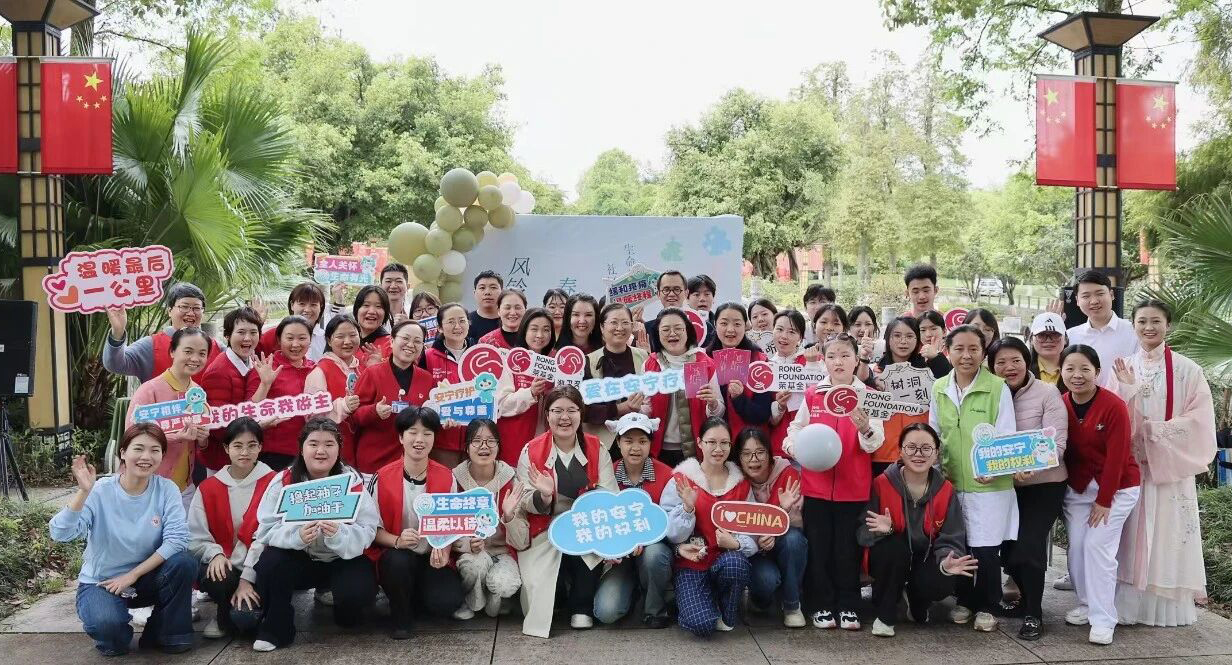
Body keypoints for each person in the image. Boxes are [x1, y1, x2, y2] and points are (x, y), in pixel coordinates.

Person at [1113, 300, 1217, 627]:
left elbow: (1200, 420)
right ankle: (1126, 605)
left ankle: (1164, 607)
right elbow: (1111, 415)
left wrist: (1155, 433)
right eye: (1142, 321)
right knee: (1130, 534)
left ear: (1167, 325)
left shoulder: (1188, 370)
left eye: (1155, 321)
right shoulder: (1122, 366)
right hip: (1133, 467)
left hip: (1169, 468)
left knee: (1167, 534)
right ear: (1133, 325)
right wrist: (1127, 393)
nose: (1149, 327)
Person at [50, 424, 196, 656]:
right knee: (110, 634)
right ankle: (115, 627)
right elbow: (61, 533)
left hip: (148, 577)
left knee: (184, 563)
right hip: (103, 582)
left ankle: (165, 632)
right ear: (123, 453)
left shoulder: (166, 489)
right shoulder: (100, 490)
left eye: (155, 450)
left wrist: (133, 575)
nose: (146, 457)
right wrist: (83, 492)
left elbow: (177, 540)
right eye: (138, 449)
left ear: (162, 455)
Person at [248, 417, 379, 651]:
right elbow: (265, 529)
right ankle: (276, 629)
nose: (321, 451)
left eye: (329, 444)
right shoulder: (284, 480)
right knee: (270, 563)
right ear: (301, 448)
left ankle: (342, 607)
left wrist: (340, 534)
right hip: (300, 559)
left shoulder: (351, 481)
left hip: (341, 559)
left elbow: (368, 527)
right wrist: (295, 536)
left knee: (355, 605)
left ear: (339, 448)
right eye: (313, 444)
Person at [785, 334, 885, 631]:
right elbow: (796, 428)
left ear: (857, 360)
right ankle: (821, 605)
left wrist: (865, 428)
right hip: (816, 488)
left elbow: (876, 442)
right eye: (831, 356)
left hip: (853, 488)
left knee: (847, 550)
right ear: (824, 361)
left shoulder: (868, 395)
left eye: (845, 355)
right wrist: (795, 448)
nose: (838, 362)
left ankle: (849, 605)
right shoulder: (813, 394)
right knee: (819, 548)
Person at [928, 324, 1017, 633]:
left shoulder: (997, 387)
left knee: (986, 549)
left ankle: (988, 605)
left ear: (983, 352)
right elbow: (934, 432)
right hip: (952, 481)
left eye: (973, 349)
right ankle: (964, 600)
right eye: (959, 349)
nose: (966, 356)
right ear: (947, 352)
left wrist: (993, 468)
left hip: (990, 484)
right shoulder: (939, 387)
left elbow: (1006, 433)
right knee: (960, 543)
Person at [516, 386, 619, 637]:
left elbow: (609, 496)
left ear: (581, 413)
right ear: (547, 415)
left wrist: (587, 517)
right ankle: (559, 597)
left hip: (586, 523)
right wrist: (544, 495)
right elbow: (523, 499)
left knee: (588, 546)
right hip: (544, 526)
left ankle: (582, 605)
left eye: (572, 410)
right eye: (557, 411)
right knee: (540, 591)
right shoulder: (531, 450)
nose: (565, 417)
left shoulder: (597, 448)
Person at [858, 423, 977, 637]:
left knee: (945, 572)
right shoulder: (881, 484)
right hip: (893, 561)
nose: (918, 454)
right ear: (900, 451)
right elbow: (861, 533)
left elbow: (952, 536)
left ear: (936, 453)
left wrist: (946, 563)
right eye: (911, 447)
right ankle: (886, 615)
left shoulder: (945, 490)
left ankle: (917, 600)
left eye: (926, 448)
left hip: (925, 559)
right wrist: (884, 530)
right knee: (892, 549)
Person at [1059, 344, 1141, 644]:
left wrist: (1105, 501)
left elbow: (1118, 457)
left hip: (1117, 488)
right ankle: (1086, 603)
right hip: (1079, 488)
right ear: (1061, 371)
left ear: (1097, 372)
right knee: (1078, 546)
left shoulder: (1113, 405)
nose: (1077, 375)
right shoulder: (1061, 404)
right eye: (1070, 368)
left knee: (1097, 546)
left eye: (1085, 369)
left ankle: (1104, 619)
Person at [988, 336, 1069, 640]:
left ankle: (1034, 613)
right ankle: (1024, 601)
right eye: (1001, 362)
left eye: (1016, 360)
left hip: (1043, 485)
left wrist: (1031, 466)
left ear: (1027, 361)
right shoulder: (991, 395)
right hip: (1004, 487)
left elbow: (1057, 444)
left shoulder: (1048, 393)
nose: (1009, 367)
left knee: (1028, 547)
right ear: (991, 366)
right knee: (1007, 552)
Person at [365, 407, 465, 639]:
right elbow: (371, 528)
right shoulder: (382, 477)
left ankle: (417, 599)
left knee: (446, 602)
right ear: (401, 437)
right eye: (412, 432)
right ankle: (400, 616)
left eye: (427, 433)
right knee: (397, 562)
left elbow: (452, 524)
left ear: (434, 438)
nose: (420, 439)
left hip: (431, 556)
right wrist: (397, 541)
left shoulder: (447, 476)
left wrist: (444, 550)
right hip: (397, 554)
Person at [661, 417, 757, 636]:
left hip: (726, 560)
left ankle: (726, 609)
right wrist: (687, 508)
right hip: (692, 562)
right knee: (702, 624)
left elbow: (752, 531)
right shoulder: (681, 479)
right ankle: (698, 602)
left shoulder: (741, 484)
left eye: (724, 443)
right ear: (699, 443)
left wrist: (736, 543)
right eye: (711, 442)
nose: (718, 449)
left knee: (735, 564)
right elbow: (670, 533)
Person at [187, 417, 275, 639]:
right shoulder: (209, 487)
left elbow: (271, 534)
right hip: (225, 563)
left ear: (260, 447)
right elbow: (194, 536)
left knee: (247, 621)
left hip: (259, 564)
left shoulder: (274, 482)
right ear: (226, 448)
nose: (245, 452)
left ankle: (245, 612)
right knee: (219, 577)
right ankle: (224, 611)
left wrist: (247, 577)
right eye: (237, 445)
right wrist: (214, 553)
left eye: (252, 445)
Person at [593, 413, 675, 628]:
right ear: (618, 443)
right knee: (606, 612)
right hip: (619, 557)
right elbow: (599, 517)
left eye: (642, 441)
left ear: (650, 444)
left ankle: (655, 609)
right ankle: (633, 592)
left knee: (655, 555)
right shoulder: (607, 473)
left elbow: (670, 522)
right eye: (628, 441)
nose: (635, 448)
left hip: (653, 550)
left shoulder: (667, 475)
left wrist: (645, 540)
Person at [453, 419, 529, 618]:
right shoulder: (454, 480)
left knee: (506, 584)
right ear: (466, 447)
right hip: (471, 554)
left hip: (503, 553)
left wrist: (509, 516)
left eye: (490, 441)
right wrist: (467, 544)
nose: (484, 446)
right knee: (473, 567)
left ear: (498, 445)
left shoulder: (512, 480)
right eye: (477, 441)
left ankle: (495, 598)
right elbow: (446, 529)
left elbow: (522, 542)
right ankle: (473, 600)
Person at [124, 327, 211, 498]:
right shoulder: (149, 390)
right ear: (172, 351)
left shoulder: (197, 393)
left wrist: (202, 439)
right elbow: (132, 437)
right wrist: (176, 436)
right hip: (149, 486)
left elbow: (198, 443)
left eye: (202, 353)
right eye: (188, 351)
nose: (195, 359)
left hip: (185, 487)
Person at [735, 428, 807, 628]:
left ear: (769, 453)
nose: (754, 459)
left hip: (783, 542)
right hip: (754, 548)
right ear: (739, 458)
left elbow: (798, 523)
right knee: (766, 579)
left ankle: (792, 605)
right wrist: (759, 538)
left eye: (760, 452)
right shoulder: (735, 480)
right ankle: (760, 601)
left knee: (794, 540)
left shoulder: (788, 473)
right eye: (746, 454)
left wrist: (782, 515)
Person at [351, 320, 435, 472]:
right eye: (405, 338)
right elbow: (354, 416)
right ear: (392, 340)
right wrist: (374, 411)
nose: (411, 345)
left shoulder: (427, 379)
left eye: (417, 341)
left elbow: (432, 416)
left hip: (412, 463)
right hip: (375, 461)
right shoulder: (372, 373)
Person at [872, 316, 951, 477]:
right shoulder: (875, 372)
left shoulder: (929, 369)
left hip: (920, 452)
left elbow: (950, 382)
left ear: (917, 340)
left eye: (909, 336)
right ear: (887, 339)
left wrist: (936, 358)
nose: (903, 341)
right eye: (897, 335)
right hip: (883, 453)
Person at [645, 307, 724, 466]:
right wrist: (637, 407)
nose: (672, 333)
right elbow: (646, 408)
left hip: (696, 450)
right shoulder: (651, 364)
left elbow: (720, 411)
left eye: (678, 328)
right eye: (665, 329)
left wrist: (713, 403)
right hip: (658, 449)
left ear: (688, 331)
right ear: (657, 334)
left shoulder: (705, 363)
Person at [102, 282, 221, 384]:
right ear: (169, 311)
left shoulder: (217, 348)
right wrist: (117, 331)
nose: (191, 313)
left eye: (196, 308)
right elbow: (115, 364)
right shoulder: (150, 345)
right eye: (184, 307)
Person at [244, 316, 317, 470]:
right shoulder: (265, 368)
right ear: (279, 339)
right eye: (289, 338)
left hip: (311, 453)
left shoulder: (316, 369)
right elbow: (248, 414)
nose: (295, 344)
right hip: (273, 455)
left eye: (302, 338)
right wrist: (265, 384)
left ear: (310, 340)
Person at [199, 307, 265, 472]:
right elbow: (217, 425)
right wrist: (259, 426)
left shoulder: (251, 361)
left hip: (243, 454)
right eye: (241, 332)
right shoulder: (218, 371)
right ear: (227, 336)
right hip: (222, 460)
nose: (247, 338)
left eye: (253, 332)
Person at [582, 303, 650, 448]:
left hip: (638, 439)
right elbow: (584, 410)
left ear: (632, 326)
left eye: (625, 323)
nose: (620, 328)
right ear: (602, 327)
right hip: (601, 442)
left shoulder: (644, 356)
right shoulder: (588, 361)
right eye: (614, 322)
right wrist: (622, 408)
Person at [495, 307, 556, 466]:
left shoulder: (556, 363)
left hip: (546, 443)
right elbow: (501, 405)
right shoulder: (511, 361)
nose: (540, 335)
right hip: (514, 442)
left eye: (546, 330)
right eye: (534, 329)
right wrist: (530, 392)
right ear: (524, 331)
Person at [704, 303, 773, 441]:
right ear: (715, 324)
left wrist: (739, 398)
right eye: (724, 323)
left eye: (737, 324)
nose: (730, 329)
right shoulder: (703, 360)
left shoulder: (758, 362)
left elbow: (762, 414)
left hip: (748, 444)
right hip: (712, 444)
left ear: (745, 325)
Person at [1065, 270, 1139, 388]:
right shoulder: (1070, 336)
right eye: (1086, 296)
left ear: (1112, 295)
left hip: (1125, 398)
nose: (1094, 301)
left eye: (1099, 294)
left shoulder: (1134, 332)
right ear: (1077, 301)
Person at [304, 315, 363, 458]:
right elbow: (312, 417)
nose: (347, 341)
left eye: (353, 335)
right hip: (333, 451)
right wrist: (343, 406)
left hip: (361, 446)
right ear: (329, 340)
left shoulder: (361, 368)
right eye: (340, 336)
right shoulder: (320, 372)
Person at [424, 303, 471, 459]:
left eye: (462, 321)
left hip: (474, 442)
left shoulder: (479, 354)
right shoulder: (427, 357)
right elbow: (422, 397)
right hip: (441, 441)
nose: (457, 326)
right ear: (440, 328)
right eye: (451, 322)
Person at [767, 309, 812, 457]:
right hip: (777, 442)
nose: (784, 336)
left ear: (800, 337)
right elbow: (765, 416)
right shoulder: (766, 367)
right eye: (779, 329)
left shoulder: (811, 362)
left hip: (808, 437)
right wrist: (779, 406)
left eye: (792, 332)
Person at [256, 282, 327, 361]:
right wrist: (255, 324)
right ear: (292, 305)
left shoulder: (326, 339)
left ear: (321, 307)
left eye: (313, 305)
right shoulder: (272, 335)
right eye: (302, 304)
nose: (307, 310)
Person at [638, 270, 689, 352]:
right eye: (666, 290)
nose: (671, 294)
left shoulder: (702, 326)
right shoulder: (646, 329)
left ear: (686, 293)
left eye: (677, 289)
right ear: (658, 294)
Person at [352, 285, 393, 367]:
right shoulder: (347, 341)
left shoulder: (392, 345)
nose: (372, 311)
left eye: (378, 306)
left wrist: (379, 366)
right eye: (366, 305)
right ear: (357, 309)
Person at [1029, 312, 1067, 386]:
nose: (1048, 340)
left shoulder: (1076, 370)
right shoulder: (1022, 370)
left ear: (1066, 339)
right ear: (1031, 339)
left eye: (1055, 334)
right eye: (1041, 335)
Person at [468, 270, 504, 345]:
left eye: (493, 287)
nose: (487, 292)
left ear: (502, 292)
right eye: (482, 288)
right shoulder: (466, 322)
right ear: (474, 293)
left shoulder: (510, 321)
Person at [687, 274, 718, 348]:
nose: (702, 299)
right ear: (687, 298)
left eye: (707, 294)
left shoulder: (719, 323)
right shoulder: (680, 322)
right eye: (696, 294)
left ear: (713, 298)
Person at [849, 305, 882, 376]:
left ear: (874, 326)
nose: (863, 329)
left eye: (868, 324)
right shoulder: (845, 351)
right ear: (849, 328)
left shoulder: (883, 348)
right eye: (857, 324)